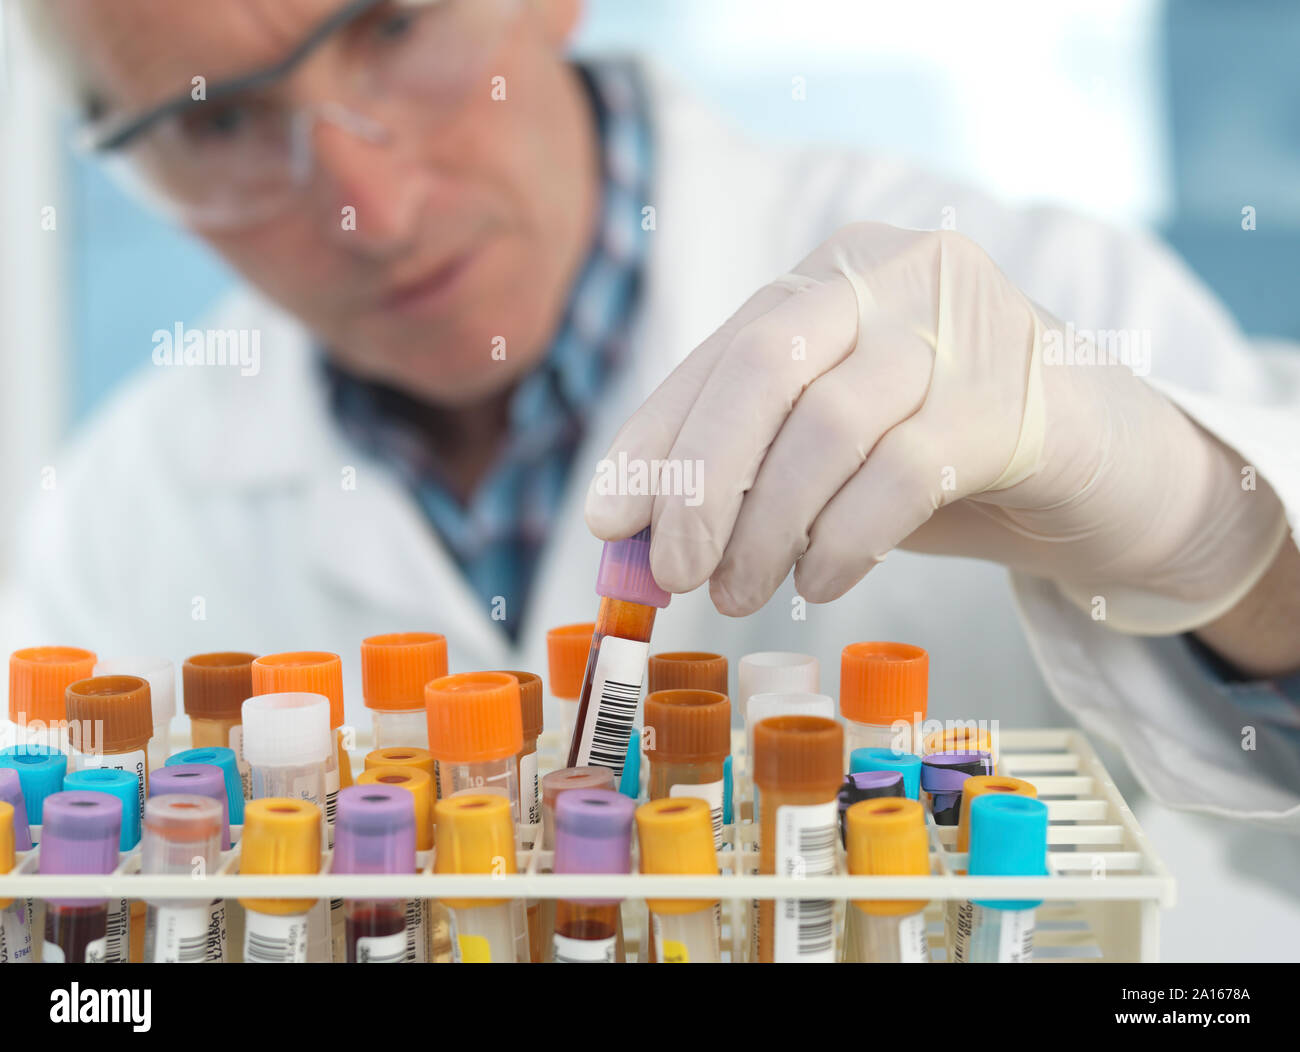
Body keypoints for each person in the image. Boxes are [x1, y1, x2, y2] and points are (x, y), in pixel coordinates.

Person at [7, 0, 1300, 865]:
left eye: (396, 23)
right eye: (212, 120)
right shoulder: (116, 525)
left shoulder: (1045, 304)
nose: (373, 206)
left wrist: (1220, 546)